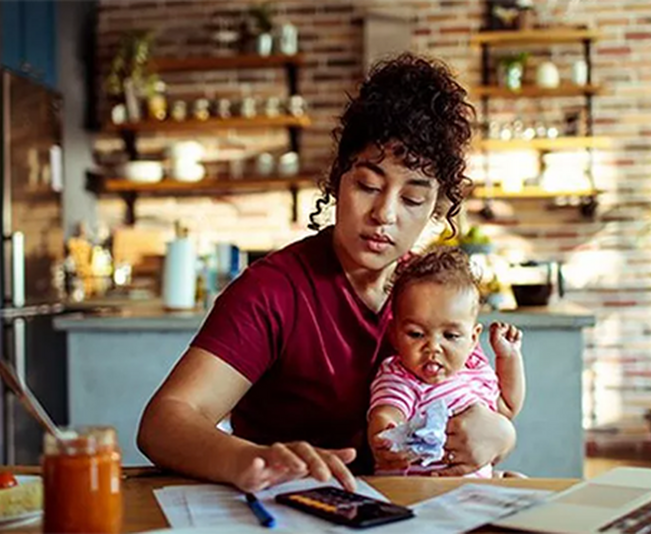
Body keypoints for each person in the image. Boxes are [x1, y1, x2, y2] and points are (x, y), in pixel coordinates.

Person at [137, 53, 517, 494]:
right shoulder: (274, 290)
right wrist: (248, 458)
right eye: (368, 186)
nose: (384, 214)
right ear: (338, 179)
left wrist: (501, 436)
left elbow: (477, 403)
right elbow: (164, 422)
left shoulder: (432, 293)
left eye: (413, 199)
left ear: (436, 207)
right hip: (291, 507)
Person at [367, 247, 525, 477]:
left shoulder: (474, 370)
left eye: (450, 336)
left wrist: (508, 357)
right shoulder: (400, 375)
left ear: (473, 339)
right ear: (394, 335)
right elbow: (387, 411)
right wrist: (385, 434)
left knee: (519, 482)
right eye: (416, 334)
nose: (433, 347)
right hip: (420, 489)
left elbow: (508, 408)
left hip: (471, 490)